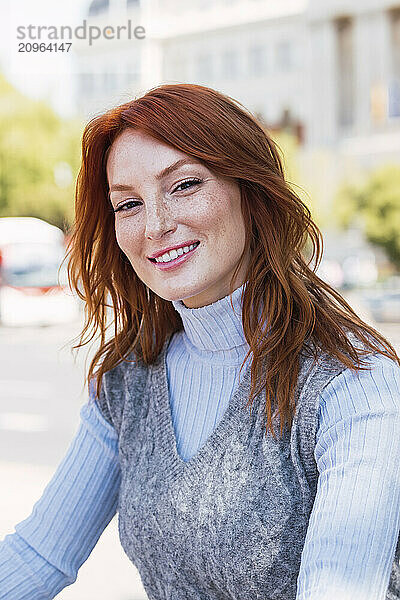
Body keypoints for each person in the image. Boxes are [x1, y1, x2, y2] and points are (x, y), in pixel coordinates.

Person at [0, 83, 400, 600]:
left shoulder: (353, 385)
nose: (155, 226)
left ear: (249, 191)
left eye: (184, 185)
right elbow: (38, 556)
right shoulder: (128, 383)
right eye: (128, 205)